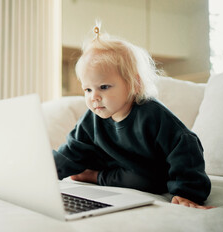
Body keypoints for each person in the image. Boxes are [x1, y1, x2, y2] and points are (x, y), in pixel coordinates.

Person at [53, 23, 213, 209]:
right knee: (81, 158)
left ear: (133, 84)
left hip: (151, 172)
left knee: (145, 181)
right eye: (88, 89)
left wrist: (187, 192)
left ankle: (94, 176)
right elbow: (71, 151)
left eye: (104, 87)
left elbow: (185, 146)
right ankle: (92, 172)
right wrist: (44, 171)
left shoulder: (152, 115)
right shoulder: (92, 118)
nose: (94, 97)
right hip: (114, 164)